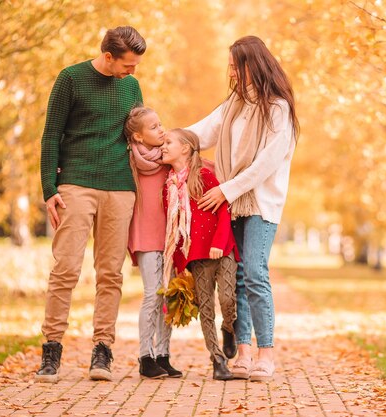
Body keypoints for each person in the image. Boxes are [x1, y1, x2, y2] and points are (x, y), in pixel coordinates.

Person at [36, 26, 146, 383]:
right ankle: (51, 351)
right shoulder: (71, 79)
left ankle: (103, 351)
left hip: (119, 187)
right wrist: (49, 187)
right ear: (109, 56)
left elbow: (140, 133)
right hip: (76, 184)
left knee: (111, 273)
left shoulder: (130, 86)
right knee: (66, 267)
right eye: (128, 65)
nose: (133, 73)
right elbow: (51, 133)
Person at [187, 35, 299, 382]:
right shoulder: (233, 106)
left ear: (254, 64)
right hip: (230, 205)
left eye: (236, 65)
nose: (231, 71)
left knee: (254, 271)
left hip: (261, 205)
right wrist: (155, 136)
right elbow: (198, 134)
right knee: (235, 277)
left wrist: (226, 189)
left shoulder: (279, 109)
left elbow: (266, 164)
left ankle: (267, 353)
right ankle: (245, 351)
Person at [161, 128, 239, 381]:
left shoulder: (204, 175)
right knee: (205, 308)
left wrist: (218, 242)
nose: (163, 146)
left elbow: (223, 211)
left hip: (222, 248)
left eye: (168, 142)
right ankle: (217, 361)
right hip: (195, 256)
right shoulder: (169, 187)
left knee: (227, 299)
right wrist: (180, 264)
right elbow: (174, 230)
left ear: (185, 148)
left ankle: (229, 327)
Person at [124, 106, 183, 379]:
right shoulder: (128, 161)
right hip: (145, 234)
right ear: (138, 137)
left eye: (161, 124)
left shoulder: (169, 158)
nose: (161, 130)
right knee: (152, 294)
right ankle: (145, 357)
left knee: (167, 295)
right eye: (154, 127)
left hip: (170, 236)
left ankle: (163, 354)